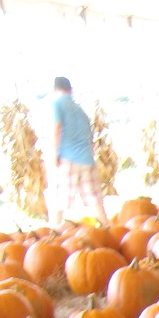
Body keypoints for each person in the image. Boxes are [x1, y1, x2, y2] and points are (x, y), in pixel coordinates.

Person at [49, 77, 107, 225]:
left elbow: (57, 127)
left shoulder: (57, 103)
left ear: (55, 89)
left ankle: (54, 232)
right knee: (95, 199)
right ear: (70, 90)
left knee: (60, 200)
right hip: (87, 158)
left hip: (68, 158)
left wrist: (54, 154)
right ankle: (108, 227)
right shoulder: (79, 109)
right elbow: (90, 133)